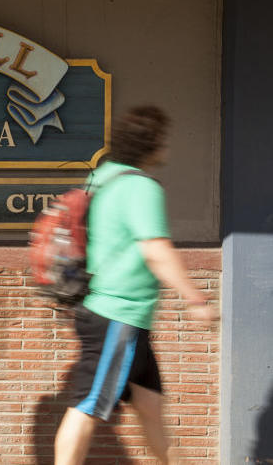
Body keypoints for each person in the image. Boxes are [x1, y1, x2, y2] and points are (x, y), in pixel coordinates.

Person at [53, 106, 219, 465]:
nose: (167, 147)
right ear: (153, 143)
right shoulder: (140, 187)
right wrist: (195, 299)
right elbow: (156, 251)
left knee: (150, 410)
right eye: (164, 140)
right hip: (118, 314)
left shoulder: (102, 178)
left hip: (126, 318)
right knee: (88, 405)